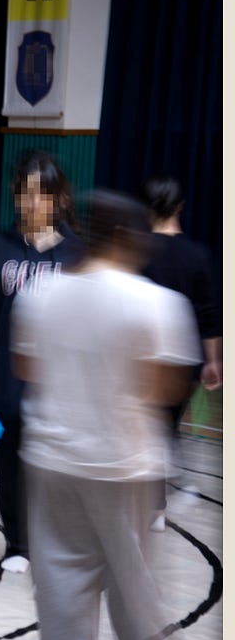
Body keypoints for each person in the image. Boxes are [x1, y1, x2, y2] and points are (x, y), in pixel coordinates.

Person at [12, 189, 198, 640]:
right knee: (133, 574)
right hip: (124, 462)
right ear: (123, 237)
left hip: (50, 455)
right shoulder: (156, 303)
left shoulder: (39, 294)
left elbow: (26, 369)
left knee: (59, 575)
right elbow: (161, 391)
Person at [0, 149, 82, 574]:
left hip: (62, 390)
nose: (31, 204)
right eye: (23, 194)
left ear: (58, 198)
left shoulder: (78, 256)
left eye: (41, 195)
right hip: (7, 385)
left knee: (55, 472)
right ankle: (17, 543)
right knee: (9, 471)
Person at [138, 175, 222, 525]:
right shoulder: (198, 255)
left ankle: (148, 498)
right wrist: (213, 361)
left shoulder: (137, 251)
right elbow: (209, 313)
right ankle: (156, 504)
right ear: (179, 207)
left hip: (142, 358)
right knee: (167, 426)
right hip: (184, 361)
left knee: (144, 428)